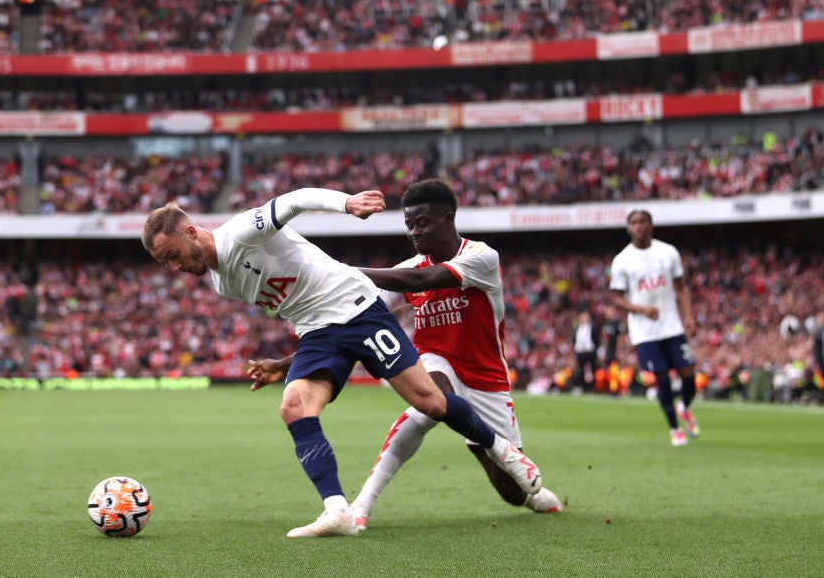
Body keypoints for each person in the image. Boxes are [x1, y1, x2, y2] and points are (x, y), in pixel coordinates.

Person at [142, 188, 543, 538]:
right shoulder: (220, 282)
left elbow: (296, 200)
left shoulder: (242, 233)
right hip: (316, 332)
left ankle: (504, 451)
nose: (175, 268)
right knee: (294, 408)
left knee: (431, 402)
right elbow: (298, 301)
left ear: (191, 233)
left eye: (172, 255)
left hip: (356, 309)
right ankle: (338, 512)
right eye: (166, 264)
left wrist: (346, 203)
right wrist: (284, 365)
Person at [247, 179, 560, 532]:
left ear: (449, 217)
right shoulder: (407, 267)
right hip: (433, 359)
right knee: (427, 403)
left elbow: (420, 280)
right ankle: (362, 504)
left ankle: (524, 484)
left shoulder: (481, 257)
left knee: (512, 495)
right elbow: (350, 327)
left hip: (487, 377)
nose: (414, 231)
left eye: (422, 223)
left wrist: (340, 273)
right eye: (409, 224)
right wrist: (287, 363)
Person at [608, 210, 700, 446]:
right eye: (634, 223)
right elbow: (616, 298)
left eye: (643, 222)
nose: (639, 227)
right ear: (628, 228)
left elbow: (681, 287)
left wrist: (688, 317)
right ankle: (674, 429)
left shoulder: (667, 252)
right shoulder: (622, 260)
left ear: (651, 226)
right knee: (663, 379)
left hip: (672, 324)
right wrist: (641, 310)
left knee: (689, 374)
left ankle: (685, 407)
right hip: (644, 331)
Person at [572, 310, 600, 392]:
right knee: (581, 370)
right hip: (580, 351)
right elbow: (575, 339)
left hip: (590, 351)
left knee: (593, 369)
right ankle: (583, 386)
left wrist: (594, 349)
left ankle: (593, 387)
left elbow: (596, 339)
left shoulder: (592, 328)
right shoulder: (578, 328)